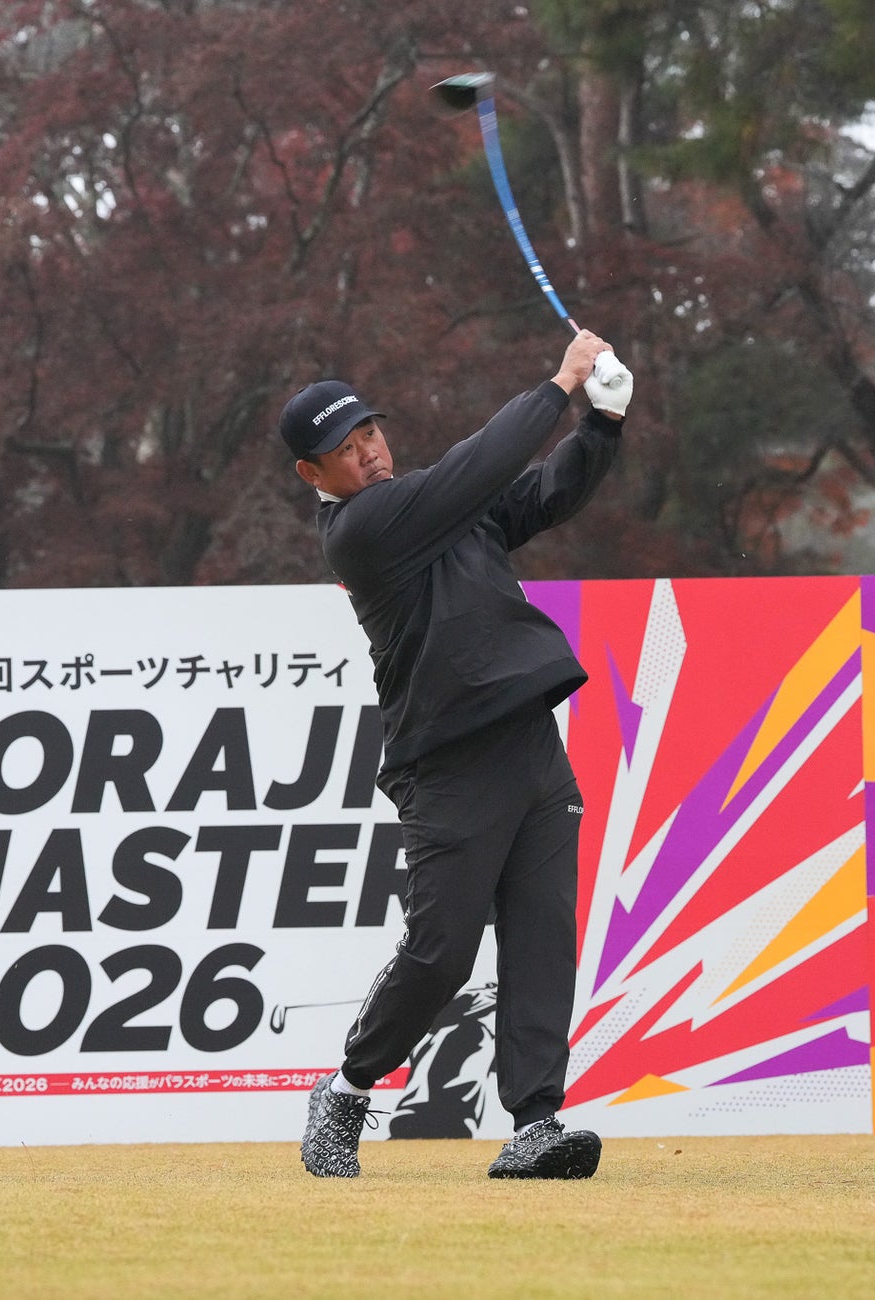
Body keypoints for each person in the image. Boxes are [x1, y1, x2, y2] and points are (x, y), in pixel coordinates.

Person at [281, 328, 633, 1179]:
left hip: (528, 743)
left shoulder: (431, 506)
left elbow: (539, 494)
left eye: (370, 432)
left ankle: (536, 1124)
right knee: (442, 952)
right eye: (345, 447)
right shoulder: (364, 530)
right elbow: (483, 466)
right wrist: (561, 386)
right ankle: (346, 1088)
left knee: (543, 936)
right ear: (313, 474)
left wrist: (604, 426)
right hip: (446, 764)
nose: (368, 451)